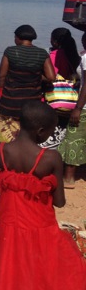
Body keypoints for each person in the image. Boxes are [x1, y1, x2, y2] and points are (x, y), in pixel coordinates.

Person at [0, 101, 86, 290]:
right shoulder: (51, 158)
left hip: (8, 225)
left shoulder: (0, 150)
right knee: (41, 273)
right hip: (40, 227)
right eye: (51, 131)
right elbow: (59, 202)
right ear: (40, 131)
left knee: (12, 272)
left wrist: (7, 201)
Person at [0, 24, 55, 141]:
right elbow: (51, 77)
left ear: (18, 38)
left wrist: (2, 94)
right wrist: (38, 76)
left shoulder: (10, 51)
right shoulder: (41, 53)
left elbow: (2, 76)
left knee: (6, 134)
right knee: (27, 134)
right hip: (31, 106)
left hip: (9, 103)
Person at [40, 27, 81, 150]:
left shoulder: (52, 56)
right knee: (64, 131)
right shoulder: (76, 56)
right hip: (71, 101)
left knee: (50, 132)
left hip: (53, 100)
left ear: (54, 41)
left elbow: (49, 76)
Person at [58, 31, 86, 187]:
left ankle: (69, 178)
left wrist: (78, 108)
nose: (81, 39)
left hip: (84, 105)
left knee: (74, 138)